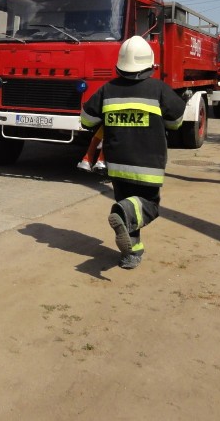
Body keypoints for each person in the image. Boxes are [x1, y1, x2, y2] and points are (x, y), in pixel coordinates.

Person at [80, 36, 186, 270]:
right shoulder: (159, 89)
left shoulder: (107, 89)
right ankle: (122, 214)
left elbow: (86, 120)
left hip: (117, 165)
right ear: (149, 64)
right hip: (148, 165)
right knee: (147, 205)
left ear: (120, 64)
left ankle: (132, 253)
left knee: (130, 205)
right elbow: (177, 121)